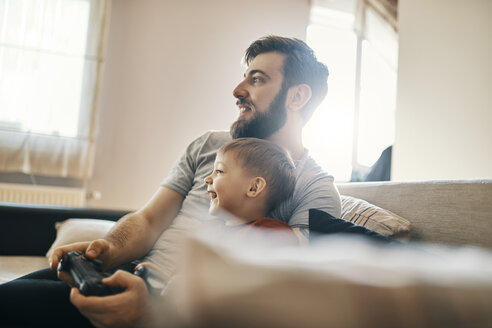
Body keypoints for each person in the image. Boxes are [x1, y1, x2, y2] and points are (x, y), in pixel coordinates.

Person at [0, 35, 341, 327]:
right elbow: (148, 219)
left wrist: (158, 314)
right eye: (243, 78)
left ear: (297, 97)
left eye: (256, 79)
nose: (238, 90)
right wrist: (108, 248)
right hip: (120, 276)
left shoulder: (316, 188)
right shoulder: (209, 145)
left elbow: (296, 295)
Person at [204, 137, 299, 246]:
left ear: (254, 187)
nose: (207, 179)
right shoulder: (208, 229)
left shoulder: (273, 234)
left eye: (219, 171)